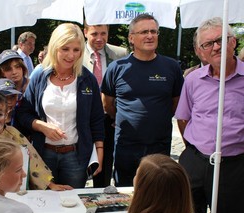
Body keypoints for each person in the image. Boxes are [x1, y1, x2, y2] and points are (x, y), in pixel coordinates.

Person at [175, 17, 244, 213]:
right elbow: (183, 119)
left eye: (221, 40)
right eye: (208, 44)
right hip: (195, 160)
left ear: (233, 42)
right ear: (199, 51)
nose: (215, 47)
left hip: (233, 165)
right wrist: (194, 151)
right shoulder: (193, 80)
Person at [17, 23, 104, 196]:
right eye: (65, 49)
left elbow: (96, 119)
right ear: (55, 46)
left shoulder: (87, 79)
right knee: (42, 202)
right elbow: (22, 114)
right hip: (43, 154)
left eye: (76, 50)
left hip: (76, 156)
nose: (71, 55)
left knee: (73, 204)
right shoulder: (40, 76)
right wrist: (41, 126)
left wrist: (99, 152)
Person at [101, 14, 183, 187]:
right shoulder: (117, 68)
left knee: (157, 193)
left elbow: (176, 103)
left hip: (159, 145)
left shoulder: (172, 67)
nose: (150, 36)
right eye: (144, 31)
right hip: (126, 145)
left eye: (154, 31)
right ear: (131, 37)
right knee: (125, 194)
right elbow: (107, 103)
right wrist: (121, 118)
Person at [83, 22, 128, 188]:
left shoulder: (120, 54)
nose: (99, 38)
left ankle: (101, 195)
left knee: (106, 162)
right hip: (83, 118)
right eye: (95, 34)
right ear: (85, 32)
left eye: (104, 33)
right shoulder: (75, 53)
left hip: (109, 118)